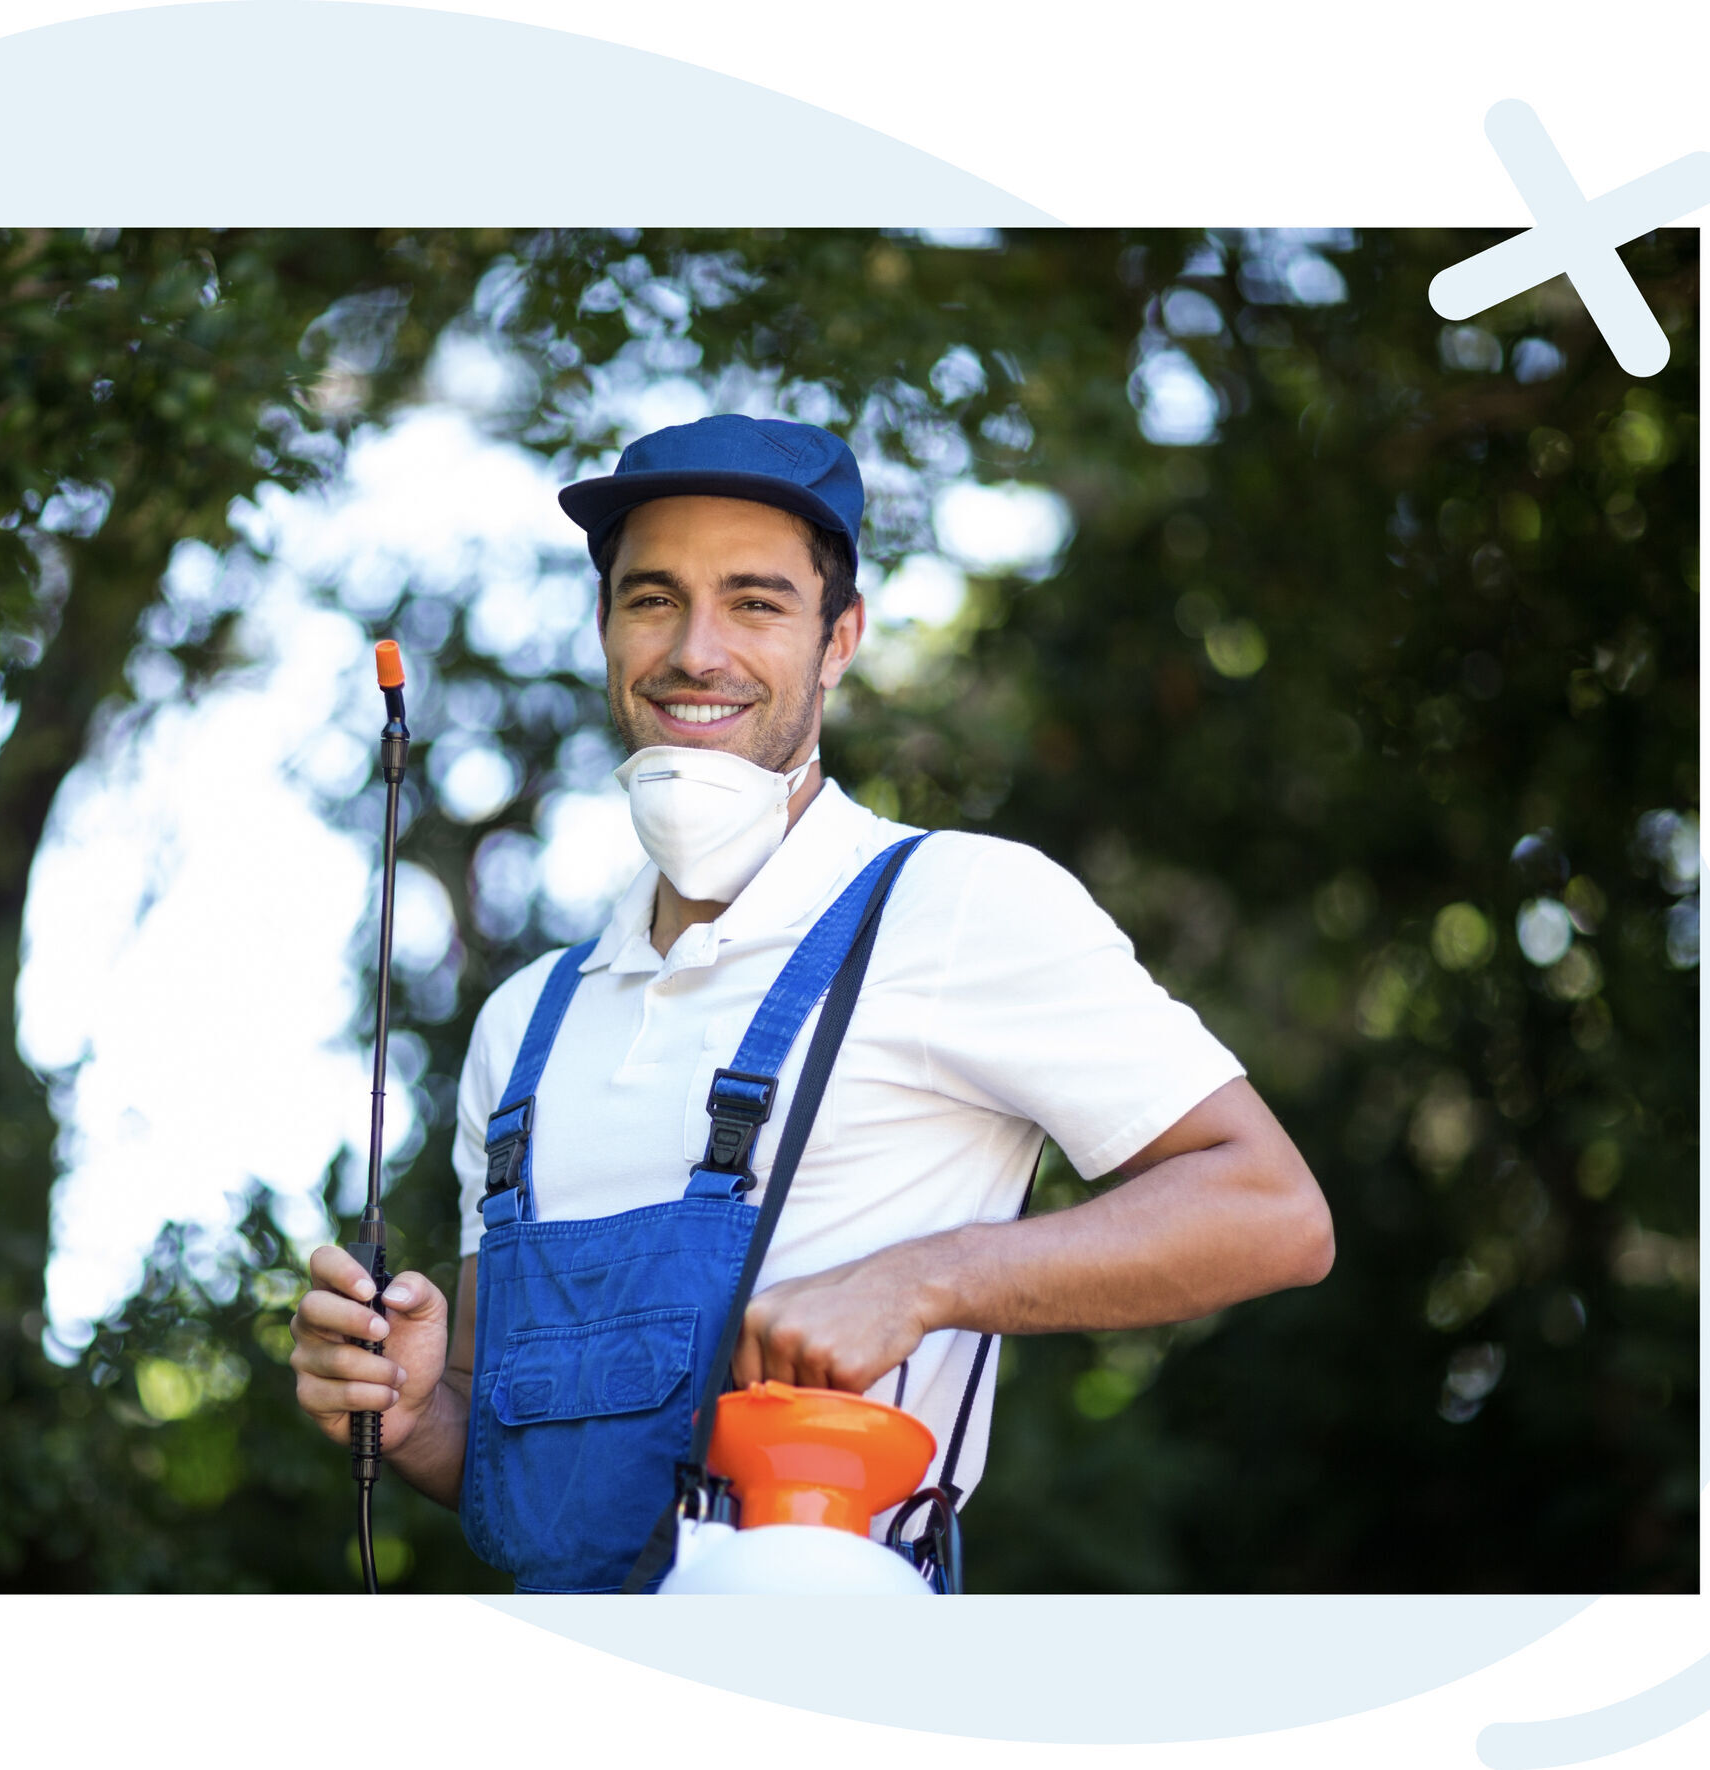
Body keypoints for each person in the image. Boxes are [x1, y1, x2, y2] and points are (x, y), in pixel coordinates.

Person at [289, 414, 1334, 1591]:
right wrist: (410, 1411)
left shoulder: (954, 903)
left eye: (755, 602)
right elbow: (521, 1475)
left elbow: (1272, 1211)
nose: (696, 649)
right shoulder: (523, 1026)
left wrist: (926, 1278)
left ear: (839, 640)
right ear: (604, 626)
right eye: (652, 599)